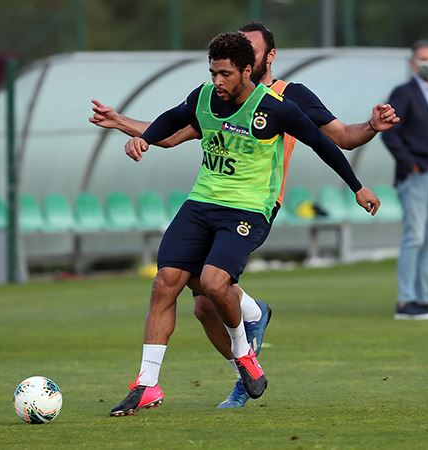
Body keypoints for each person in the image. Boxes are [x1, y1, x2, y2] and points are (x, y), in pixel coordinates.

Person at [91, 21, 398, 408]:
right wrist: (139, 135)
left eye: (226, 72)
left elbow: (328, 143)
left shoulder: (282, 104)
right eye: (214, 72)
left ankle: (243, 356)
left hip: (249, 208)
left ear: (255, 64)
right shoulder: (204, 98)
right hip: (202, 202)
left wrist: (358, 185)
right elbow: (171, 126)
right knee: (169, 283)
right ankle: (148, 384)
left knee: (213, 285)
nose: (218, 80)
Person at [382, 39, 428, 320]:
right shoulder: (404, 93)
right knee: (414, 237)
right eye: (424, 59)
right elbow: (390, 133)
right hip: (417, 176)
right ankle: (407, 300)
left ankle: (424, 297)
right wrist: (411, 164)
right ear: (413, 63)